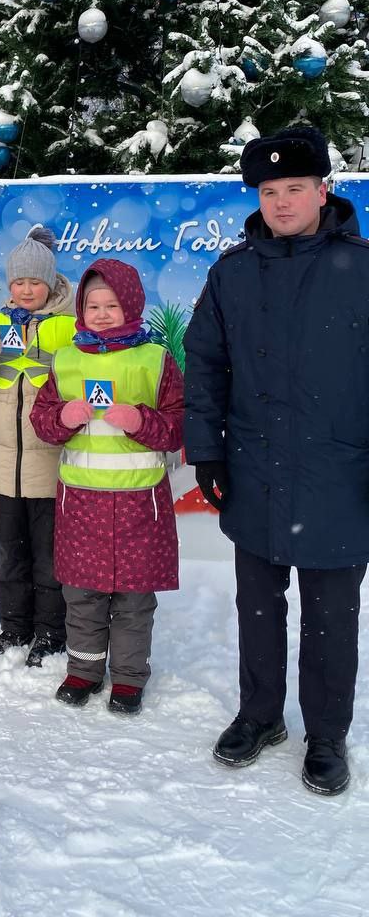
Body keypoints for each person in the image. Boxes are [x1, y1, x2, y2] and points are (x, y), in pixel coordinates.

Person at [184, 126, 369, 796]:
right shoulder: (232, 273)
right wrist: (207, 451)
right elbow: (204, 364)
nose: (282, 202)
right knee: (257, 607)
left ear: (323, 190)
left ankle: (326, 735)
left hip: (340, 476)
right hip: (256, 472)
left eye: (295, 187)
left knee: (331, 618)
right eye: (269, 191)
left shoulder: (362, 268)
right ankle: (260, 716)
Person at [30, 259, 183, 714]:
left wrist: (141, 420)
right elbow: (42, 421)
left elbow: (179, 426)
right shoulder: (67, 359)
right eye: (93, 305)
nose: (101, 314)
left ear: (131, 305)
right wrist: (63, 416)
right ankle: (84, 670)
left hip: (140, 505)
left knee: (134, 600)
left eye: (111, 305)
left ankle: (129, 678)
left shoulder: (155, 359)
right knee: (83, 596)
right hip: (81, 504)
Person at [0, 226, 76, 666]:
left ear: (51, 282)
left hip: (51, 465)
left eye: (35, 282)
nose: (26, 290)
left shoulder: (72, 327)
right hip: (2, 466)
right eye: (18, 281)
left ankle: (50, 632)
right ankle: (14, 627)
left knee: (49, 557)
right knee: (10, 555)